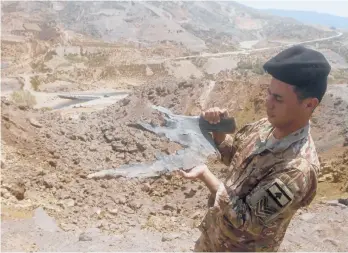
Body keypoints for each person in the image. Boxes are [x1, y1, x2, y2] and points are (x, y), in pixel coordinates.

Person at [179, 45, 331, 252]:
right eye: (269, 94)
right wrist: (219, 133)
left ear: (309, 105)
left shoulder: (297, 169)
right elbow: (235, 156)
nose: (267, 103)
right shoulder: (265, 126)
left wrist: (207, 176)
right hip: (213, 241)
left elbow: (247, 220)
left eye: (278, 99)